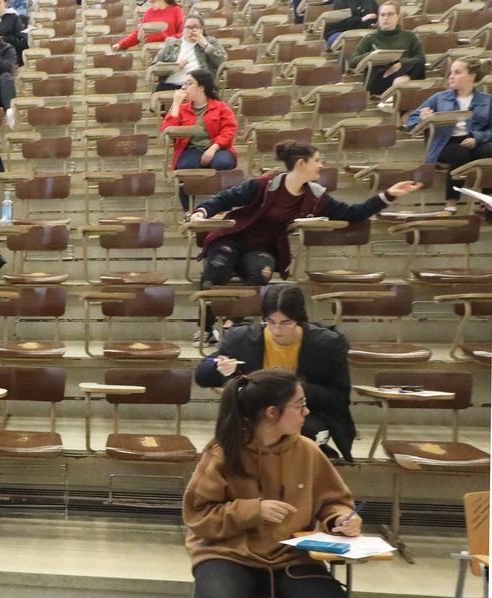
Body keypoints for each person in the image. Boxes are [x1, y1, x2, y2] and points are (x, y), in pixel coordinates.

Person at [184, 367, 360, 598]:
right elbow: (198, 516)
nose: (307, 411)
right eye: (299, 405)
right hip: (228, 555)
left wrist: (339, 520)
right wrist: (252, 510)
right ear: (271, 412)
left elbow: (334, 501)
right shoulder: (222, 453)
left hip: (292, 556)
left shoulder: (307, 450)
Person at [188, 141, 421, 343]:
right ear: (301, 163)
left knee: (262, 274)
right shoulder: (264, 185)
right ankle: (206, 327)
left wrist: (388, 194)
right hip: (233, 239)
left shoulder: (316, 196)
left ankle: (230, 325)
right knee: (217, 268)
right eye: (317, 160)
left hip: (261, 249)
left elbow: (354, 213)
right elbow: (225, 198)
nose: (321, 165)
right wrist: (201, 212)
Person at [195, 285, 356, 461]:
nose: (277, 331)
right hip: (256, 413)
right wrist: (218, 368)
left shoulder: (328, 345)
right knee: (244, 432)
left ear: (300, 319)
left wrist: (292, 389)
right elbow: (203, 374)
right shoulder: (242, 339)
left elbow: (339, 398)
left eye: (285, 323)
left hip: (307, 413)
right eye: (270, 322)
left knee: (288, 432)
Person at [404, 58, 492, 211]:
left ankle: (488, 202)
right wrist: (422, 117)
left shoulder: (487, 100)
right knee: (461, 154)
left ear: (471, 76)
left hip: (475, 140)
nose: (451, 76)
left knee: (487, 152)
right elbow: (409, 122)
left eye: (457, 72)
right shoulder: (439, 97)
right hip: (445, 143)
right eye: (451, 72)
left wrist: (477, 138)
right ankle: (450, 205)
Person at [162, 69, 238, 211]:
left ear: (201, 87)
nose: (184, 87)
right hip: (191, 149)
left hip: (218, 148)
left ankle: (221, 207)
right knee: (183, 169)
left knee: (223, 162)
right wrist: (176, 104)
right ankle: (189, 212)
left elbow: (229, 131)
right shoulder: (182, 109)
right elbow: (167, 130)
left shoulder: (221, 107)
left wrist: (213, 148)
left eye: (189, 83)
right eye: (184, 83)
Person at [348, 3, 424, 96]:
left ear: (398, 17)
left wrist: (401, 63)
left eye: (390, 14)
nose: (385, 18)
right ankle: (395, 96)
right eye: (382, 15)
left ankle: (395, 95)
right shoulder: (370, 38)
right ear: (378, 18)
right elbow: (353, 61)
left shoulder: (409, 36)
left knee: (416, 65)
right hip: (380, 77)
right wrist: (372, 55)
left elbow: (421, 59)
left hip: (404, 73)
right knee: (399, 79)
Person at [151, 14, 226, 92]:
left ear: (202, 29)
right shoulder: (172, 44)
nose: (191, 31)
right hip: (172, 85)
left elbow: (221, 62)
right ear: (183, 29)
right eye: (188, 27)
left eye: (196, 27)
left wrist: (204, 44)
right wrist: (175, 66)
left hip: (199, 86)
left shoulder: (210, 41)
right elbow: (154, 66)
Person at [113, 0, 184, 51]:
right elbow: (139, 33)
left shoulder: (176, 10)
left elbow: (183, 33)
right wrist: (121, 44)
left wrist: (169, 40)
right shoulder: (149, 12)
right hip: (151, 52)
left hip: (170, 50)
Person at [0, 0, 27, 65]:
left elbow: (22, 41)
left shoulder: (14, 17)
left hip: (10, 55)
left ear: (5, 3)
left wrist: (2, 39)